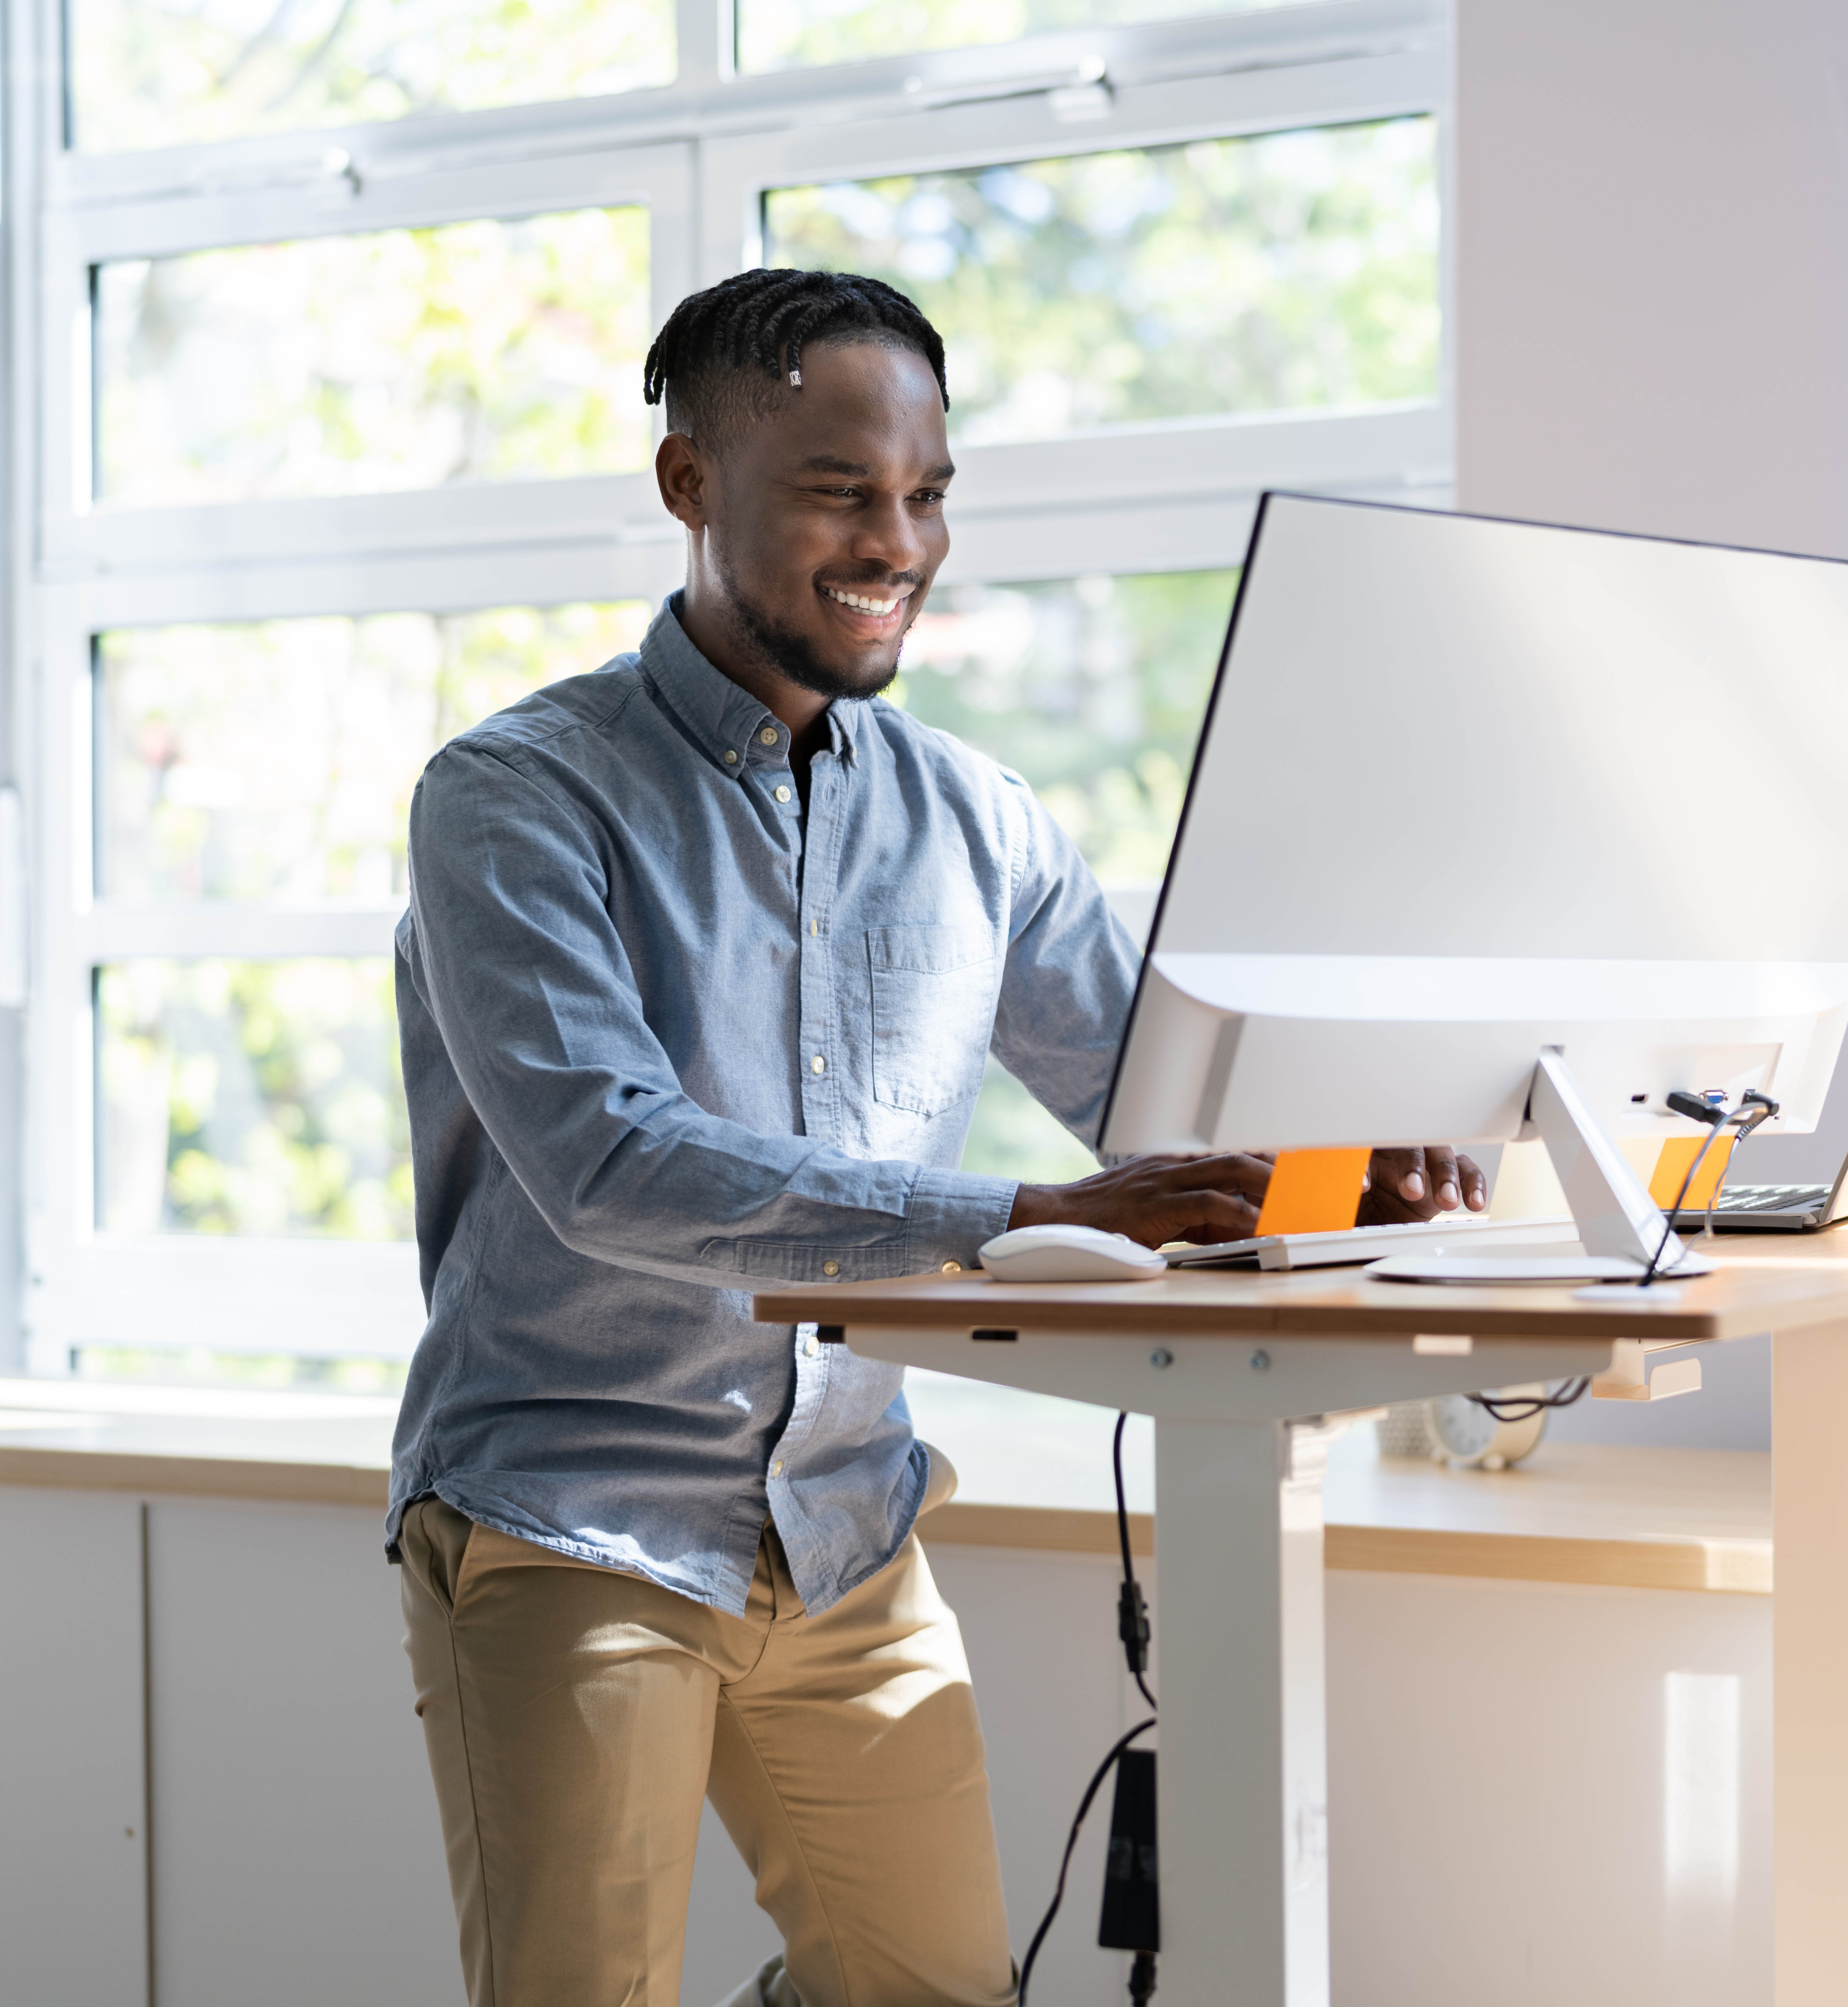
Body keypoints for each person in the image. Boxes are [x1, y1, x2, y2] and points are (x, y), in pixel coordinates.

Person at [385, 267, 1488, 2007]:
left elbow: (1174, 1114)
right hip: (576, 1510)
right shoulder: (515, 800)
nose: (894, 538)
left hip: (843, 1529)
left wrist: (1396, 1150)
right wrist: (1026, 1212)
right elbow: (607, 1161)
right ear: (691, 487)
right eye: (838, 490)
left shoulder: (978, 821)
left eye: (925, 494)